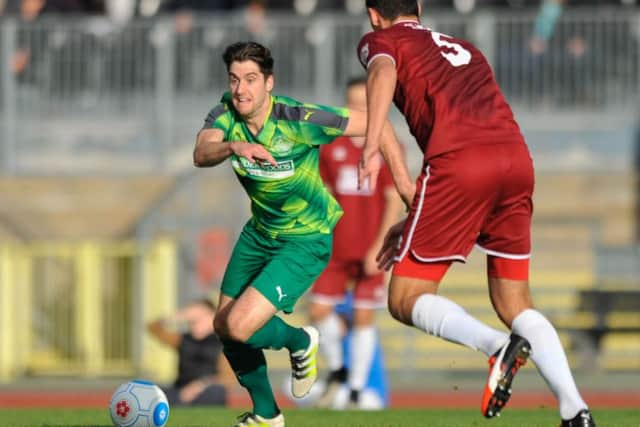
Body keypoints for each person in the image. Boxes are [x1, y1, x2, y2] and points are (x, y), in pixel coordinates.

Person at [356, 2, 595, 427]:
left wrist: (371, 144)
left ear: (374, 14)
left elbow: (382, 72)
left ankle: (495, 347)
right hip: (516, 160)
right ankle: (575, 410)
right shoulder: (465, 47)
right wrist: (419, 215)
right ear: (420, 7)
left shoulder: (382, 40)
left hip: (460, 162)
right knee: (514, 301)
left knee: (404, 298)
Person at [193, 41, 409, 427]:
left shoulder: (299, 118)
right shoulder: (225, 113)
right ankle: (266, 414)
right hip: (259, 233)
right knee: (224, 327)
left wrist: (391, 170)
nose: (241, 89)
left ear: (269, 83)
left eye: (251, 79)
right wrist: (233, 146)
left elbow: (379, 121)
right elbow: (201, 152)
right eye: (235, 79)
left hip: (305, 239)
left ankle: (299, 341)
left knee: (241, 325)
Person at [308, 77, 403, 409]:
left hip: (370, 247)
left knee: (364, 317)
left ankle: (357, 390)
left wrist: (380, 246)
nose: (358, 109)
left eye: (364, 103)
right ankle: (338, 369)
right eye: (352, 103)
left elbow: (393, 200)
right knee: (318, 310)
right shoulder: (331, 145)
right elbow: (323, 194)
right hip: (334, 246)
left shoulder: (388, 144)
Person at [146, 299, 235, 406]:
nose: (194, 322)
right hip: (180, 389)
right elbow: (152, 328)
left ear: (212, 317)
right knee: (154, 393)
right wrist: (177, 316)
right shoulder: (182, 339)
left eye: (200, 317)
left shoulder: (222, 344)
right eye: (192, 319)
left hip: (207, 390)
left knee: (216, 391)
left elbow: (227, 379)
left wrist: (200, 385)